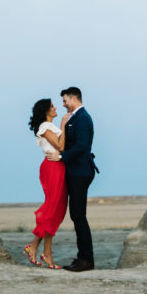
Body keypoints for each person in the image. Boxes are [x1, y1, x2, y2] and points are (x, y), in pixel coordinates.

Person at [46, 86, 98, 272]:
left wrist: (61, 158)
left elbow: (82, 146)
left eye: (65, 100)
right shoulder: (73, 117)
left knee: (78, 216)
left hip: (80, 172)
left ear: (74, 98)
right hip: (75, 171)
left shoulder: (83, 118)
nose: (63, 104)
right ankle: (83, 257)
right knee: (76, 215)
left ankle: (87, 260)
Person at [23, 98, 69, 270]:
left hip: (59, 166)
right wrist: (64, 124)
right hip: (52, 167)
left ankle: (46, 252)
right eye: (52, 106)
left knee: (57, 209)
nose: (56, 107)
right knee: (51, 208)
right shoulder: (45, 127)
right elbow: (60, 146)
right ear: (45, 111)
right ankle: (35, 246)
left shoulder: (50, 126)